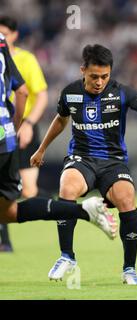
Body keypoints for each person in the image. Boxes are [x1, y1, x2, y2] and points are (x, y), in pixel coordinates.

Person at [31, 44, 137, 285]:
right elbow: (61, 120)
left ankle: (129, 269)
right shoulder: (70, 92)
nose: (99, 82)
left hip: (113, 162)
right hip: (82, 158)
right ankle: (67, 256)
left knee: (127, 199)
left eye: (105, 76)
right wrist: (42, 148)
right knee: (67, 188)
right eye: (94, 76)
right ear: (83, 70)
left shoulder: (122, 92)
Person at [0, 33, 117, 247]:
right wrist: (12, 128)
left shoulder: (26, 57)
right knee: (8, 211)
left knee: (23, 195)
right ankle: (83, 210)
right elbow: (22, 92)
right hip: (6, 137)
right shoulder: (1, 41)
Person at [0, 16, 49, 253]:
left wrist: (27, 123)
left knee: (28, 191)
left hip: (22, 128)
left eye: (5, 33)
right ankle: (5, 242)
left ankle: (66, 205)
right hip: (5, 130)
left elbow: (39, 94)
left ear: (14, 35)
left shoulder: (25, 59)